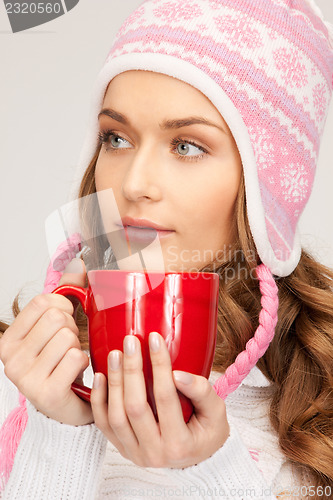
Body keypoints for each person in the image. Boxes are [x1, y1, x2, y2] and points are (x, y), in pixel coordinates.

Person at [1, 0, 333, 498]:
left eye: (187, 145)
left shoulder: (315, 409)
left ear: (268, 191)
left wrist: (212, 471)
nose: (134, 184)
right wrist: (61, 434)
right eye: (115, 138)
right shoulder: (27, 372)